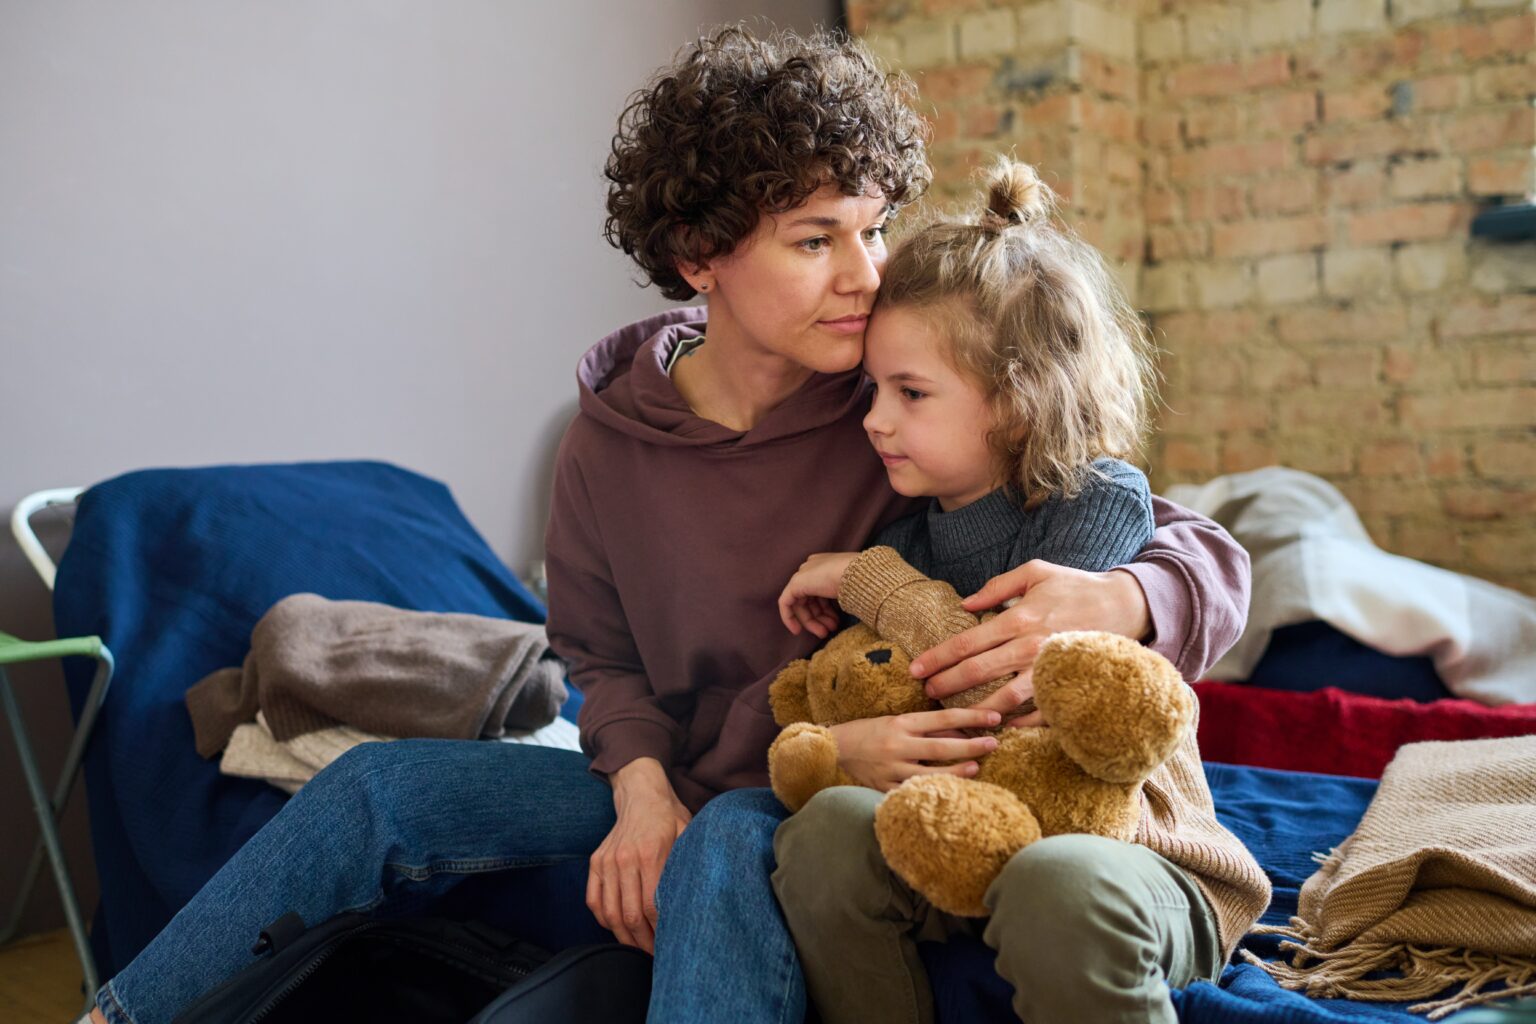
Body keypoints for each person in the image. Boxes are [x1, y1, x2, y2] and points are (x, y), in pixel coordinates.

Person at [87, 27, 1251, 1024]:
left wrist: (1126, 596)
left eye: (875, 227)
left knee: (728, 846)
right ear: (701, 260)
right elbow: (599, 655)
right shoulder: (606, 443)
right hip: (671, 768)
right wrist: (638, 785)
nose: (867, 273)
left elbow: (1164, 524)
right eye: (816, 238)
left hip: (791, 785)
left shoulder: (894, 401)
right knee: (378, 789)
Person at [769, 161, 1270, 1024]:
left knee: (1057, 877)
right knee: (821, 833)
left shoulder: (1094, 500)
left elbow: (1001, 681)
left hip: (1132, 855)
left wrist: (869, 582)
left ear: (1016, 403)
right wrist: (845, 741)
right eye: (874, 390)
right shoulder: (906, 537)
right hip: (960, 839)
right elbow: (887, 685)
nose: (874, 419)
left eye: (910, 393)